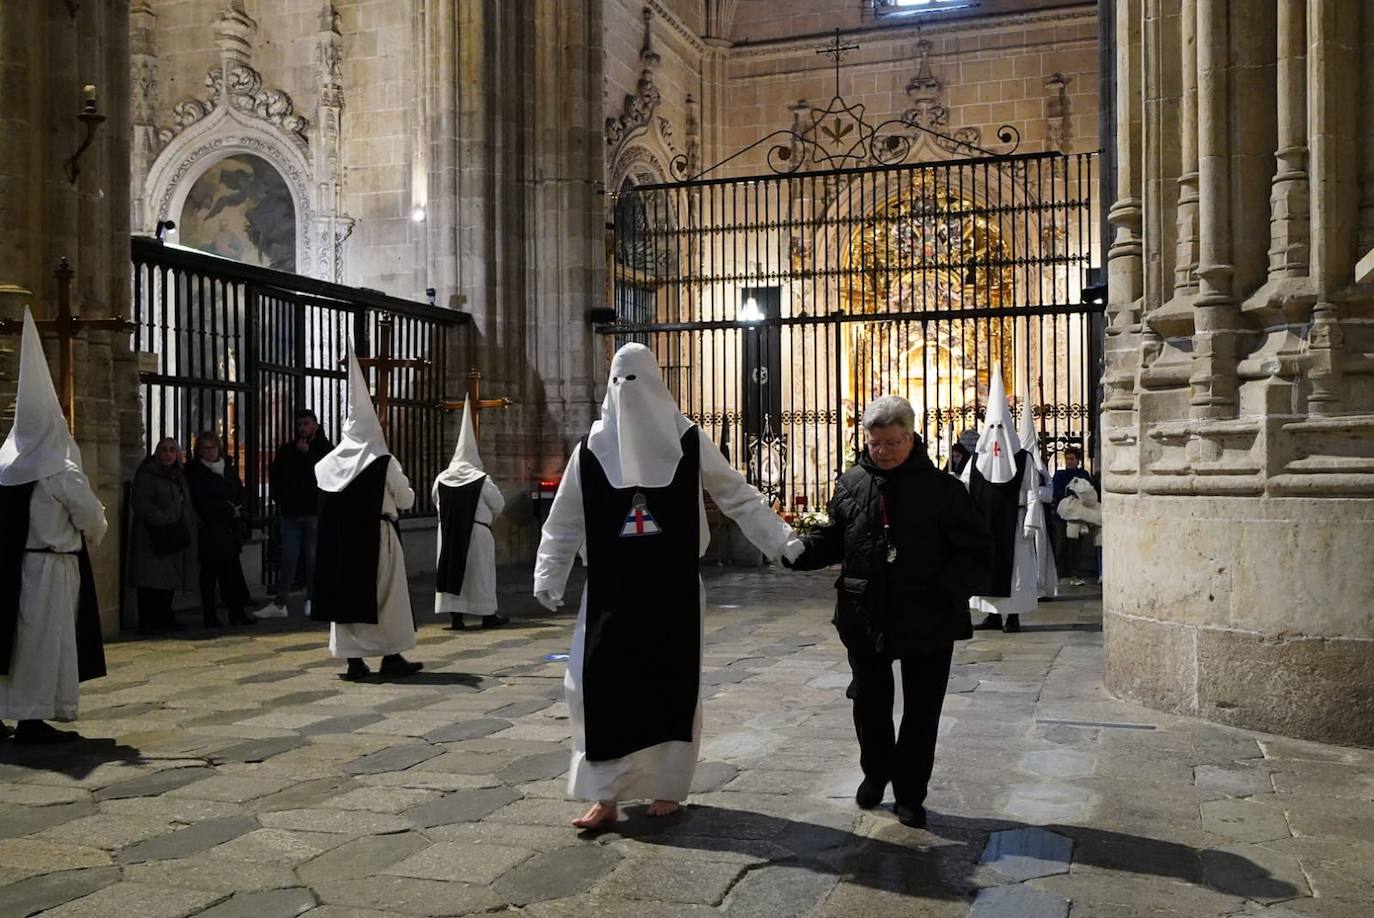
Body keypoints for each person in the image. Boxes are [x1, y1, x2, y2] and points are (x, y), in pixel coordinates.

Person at [534, 343, 802, 830]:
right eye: (620, 382)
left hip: (671, 588)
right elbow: (564, 520)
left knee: (668, 685)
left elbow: (736, 495)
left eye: (635, 381)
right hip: (610, 591)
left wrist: (782, 541)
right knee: (593, 684)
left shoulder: (688, 441)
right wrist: (548, 573)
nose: (627, 392)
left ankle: (666, 786)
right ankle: (605, 794)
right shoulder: (590, 450)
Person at [787, 395, 991, 827]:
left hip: (928, 614)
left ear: (911, 437)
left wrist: (945, 591)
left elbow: (976, 553)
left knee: (922, 709)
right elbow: (834, 539)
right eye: (875, 443)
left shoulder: (944, 490)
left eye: (891, 443)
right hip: (865, 611)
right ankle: (875, 773)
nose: (881, 451)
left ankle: (911, 793)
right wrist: (799, 552)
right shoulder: (850, 484)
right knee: (869, 702)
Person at [0, 310, 108, 743]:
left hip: (12, 567)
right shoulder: (58, 468)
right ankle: (33, 718)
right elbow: (90, 517)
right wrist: (96, 530)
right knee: (44, 645)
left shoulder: (7, 463)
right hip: (50, 568)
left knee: (10, 640)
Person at [310, 350, 422, 682]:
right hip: (378, 538)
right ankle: (392, 655)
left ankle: (354, 661)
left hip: (340, 542)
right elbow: (406, 498)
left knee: (345, 596)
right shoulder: (383, 460)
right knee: (387, 598)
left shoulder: (326, 464)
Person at [961, 365, 1047, 634]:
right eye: (993, 427)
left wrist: (1031, 522)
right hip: (983, 523)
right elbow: (962, 487)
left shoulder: (1023, 460)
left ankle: (1012, 617)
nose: (997, 435)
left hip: (1015, 522)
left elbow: (1033, 491)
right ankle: (991, 616)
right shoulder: (976, 460)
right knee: (986, 566)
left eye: (1002, 427)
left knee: (1016, 571)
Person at [433, 397, 509, 631]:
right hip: (477, 531)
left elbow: (436, 501)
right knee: (481, 575)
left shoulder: (442, 478)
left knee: (453, 571)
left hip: (448, 532)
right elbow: (498, 503)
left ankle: (456, 617)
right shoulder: (481, 479)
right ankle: (487, 615)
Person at [260, 409, 333, 619]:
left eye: (307, 424)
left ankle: (312, 599)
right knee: (288, 557)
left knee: (312, 558)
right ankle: (280, 602)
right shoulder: (287, 451)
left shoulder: (325, 449)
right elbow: (275, 475)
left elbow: (327, 474)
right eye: (300, 424)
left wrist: (308, 455)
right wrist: (280, 499)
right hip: (291, 512)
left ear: (315, 426)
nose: (302, 428)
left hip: (314, 513)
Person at [186, 431, 256, 628]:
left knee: (232, 573)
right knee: (209, 574)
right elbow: (201, 500)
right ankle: (210, 615)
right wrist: (227, 510)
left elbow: (239, 489)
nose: (210, 452)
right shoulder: (196, 472)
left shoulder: (227, 468)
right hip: (210, 529)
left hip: (229, 529)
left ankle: (237, 611)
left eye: (213, 447)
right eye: (205, 448)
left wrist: (238, 509)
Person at [129, 437, 197, 634]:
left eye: (172, 450)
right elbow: (141, 501)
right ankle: (149, 621)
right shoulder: (148, 473)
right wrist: (163, 517)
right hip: (152, 535)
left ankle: (165, 616)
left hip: (172, 534)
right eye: (164, 450)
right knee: (150, 580)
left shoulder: (178, 475)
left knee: (168, 580)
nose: (168, 454)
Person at [1016, 387, 1058, 601]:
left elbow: (1048, 490)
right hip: (1023, 514)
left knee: (1040, 551)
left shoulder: (1039, 467)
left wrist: (1035, 495)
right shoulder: (1018, 463)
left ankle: (1042, 586)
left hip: (1038, 513)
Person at [1051, 446, 1092, 583]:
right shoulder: (1060, 474)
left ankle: (1076, 573)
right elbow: (1057, 492)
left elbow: (1087, 491)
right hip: (1062, 514)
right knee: (1061, 543)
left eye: (1072, 459)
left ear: (1078, 460)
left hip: (1078, 514)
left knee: (1076, 544)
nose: (1069, 462)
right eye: (1067, 459)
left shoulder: (1083, 474)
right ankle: (1059, 572)